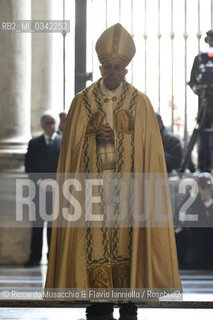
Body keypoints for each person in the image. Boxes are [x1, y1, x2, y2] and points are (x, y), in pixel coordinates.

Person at [45, 23, 181, 320]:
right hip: (91, 193)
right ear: (100, 68)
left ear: (126, 71)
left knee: (127, 243)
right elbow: (69, 154)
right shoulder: (81, 103)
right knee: (94, 246)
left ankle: (130, 300)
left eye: (117, 68)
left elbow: (149, 155)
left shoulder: (141, 104)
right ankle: (98, 302)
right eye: (107, 67)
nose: (112, 72)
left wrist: (117, 140)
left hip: (129, 193)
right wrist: (93, 136)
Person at [24, 111, 62, 267]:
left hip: (57, 191)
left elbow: (66, 167)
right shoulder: (34, 143)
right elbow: (29, 166)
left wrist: (55, 183)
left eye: (53, 122)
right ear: (42, 125)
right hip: (38, 191)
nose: (51, 126)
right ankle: (35, 257)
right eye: (47, 123)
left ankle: (52, 258)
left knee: (53, 228)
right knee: (38, 226)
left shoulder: (62, 141)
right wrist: (41, 182)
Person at [189, 29, 213, 172]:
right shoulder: (200, 59)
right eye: (210, 40)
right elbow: (192, 81)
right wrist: (199, 90)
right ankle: (203, 167)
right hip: (205, 103)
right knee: (203, 135)